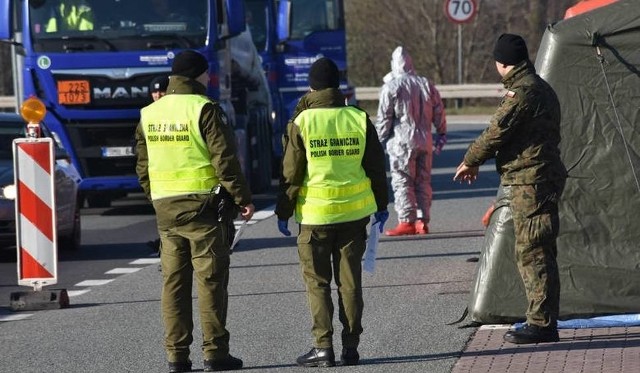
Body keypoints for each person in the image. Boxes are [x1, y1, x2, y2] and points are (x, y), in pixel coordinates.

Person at [135, 50, 255, 372]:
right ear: (199, 76)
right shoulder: (205, 109)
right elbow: (225, 161)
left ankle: (177, 357)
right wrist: (242, 198)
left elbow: (142, 166)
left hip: (166, 211)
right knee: (210, 282)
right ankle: (215, 353)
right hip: (203, 210)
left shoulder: (149, 113)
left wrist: (156, 197)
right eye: (206, 75)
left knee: (173, 284)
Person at [275, 57, 389, 367]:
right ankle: (351, 347)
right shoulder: (358, 118)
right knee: (350, 284)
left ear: (311, 87)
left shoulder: (303, 121)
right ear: (338, 87)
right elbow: (376, 168)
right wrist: (382, 204)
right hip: (354, 217)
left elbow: (291, 173)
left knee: (318, 283)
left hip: (315, 217)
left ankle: (323, 347)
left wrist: (283, 211)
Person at [453, 34, 567, 344]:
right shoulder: (542, 88)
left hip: (531, 181)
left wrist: (470, 160)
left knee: (534, 252)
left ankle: (542, 324)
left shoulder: (523, 93)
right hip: (539, 178)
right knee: (538, 250)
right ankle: (542, 319)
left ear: (501, 62)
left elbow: (495, 132)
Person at [375, 46, 447, 236]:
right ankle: (422, 220)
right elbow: (439, 110)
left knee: (402, 181)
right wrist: (441, 132)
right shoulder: (426, 84)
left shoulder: (391, 87)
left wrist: (378, 142)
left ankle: (407, 220)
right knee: (423, 181)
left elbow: (384, 119)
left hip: (401, 143)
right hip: (425, 142)